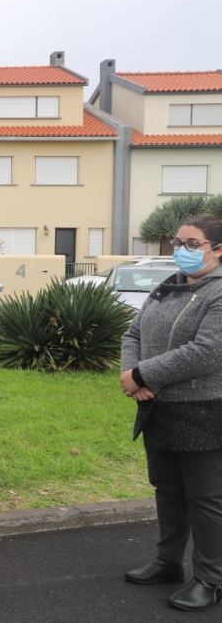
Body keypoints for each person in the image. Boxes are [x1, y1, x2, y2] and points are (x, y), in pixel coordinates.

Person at [121, 215, 222, 613]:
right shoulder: (168, 286)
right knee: (167, 489)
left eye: (193, 244)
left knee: (205, 498)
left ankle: (210, 579)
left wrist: (142, 375)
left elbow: (207, 352)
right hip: (158, 407)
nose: (181, 250)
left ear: (218, 250)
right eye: (178, 243)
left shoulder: (219, 294)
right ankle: (168, 562)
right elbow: (133, 333)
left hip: (204, 411)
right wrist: (131, 374)